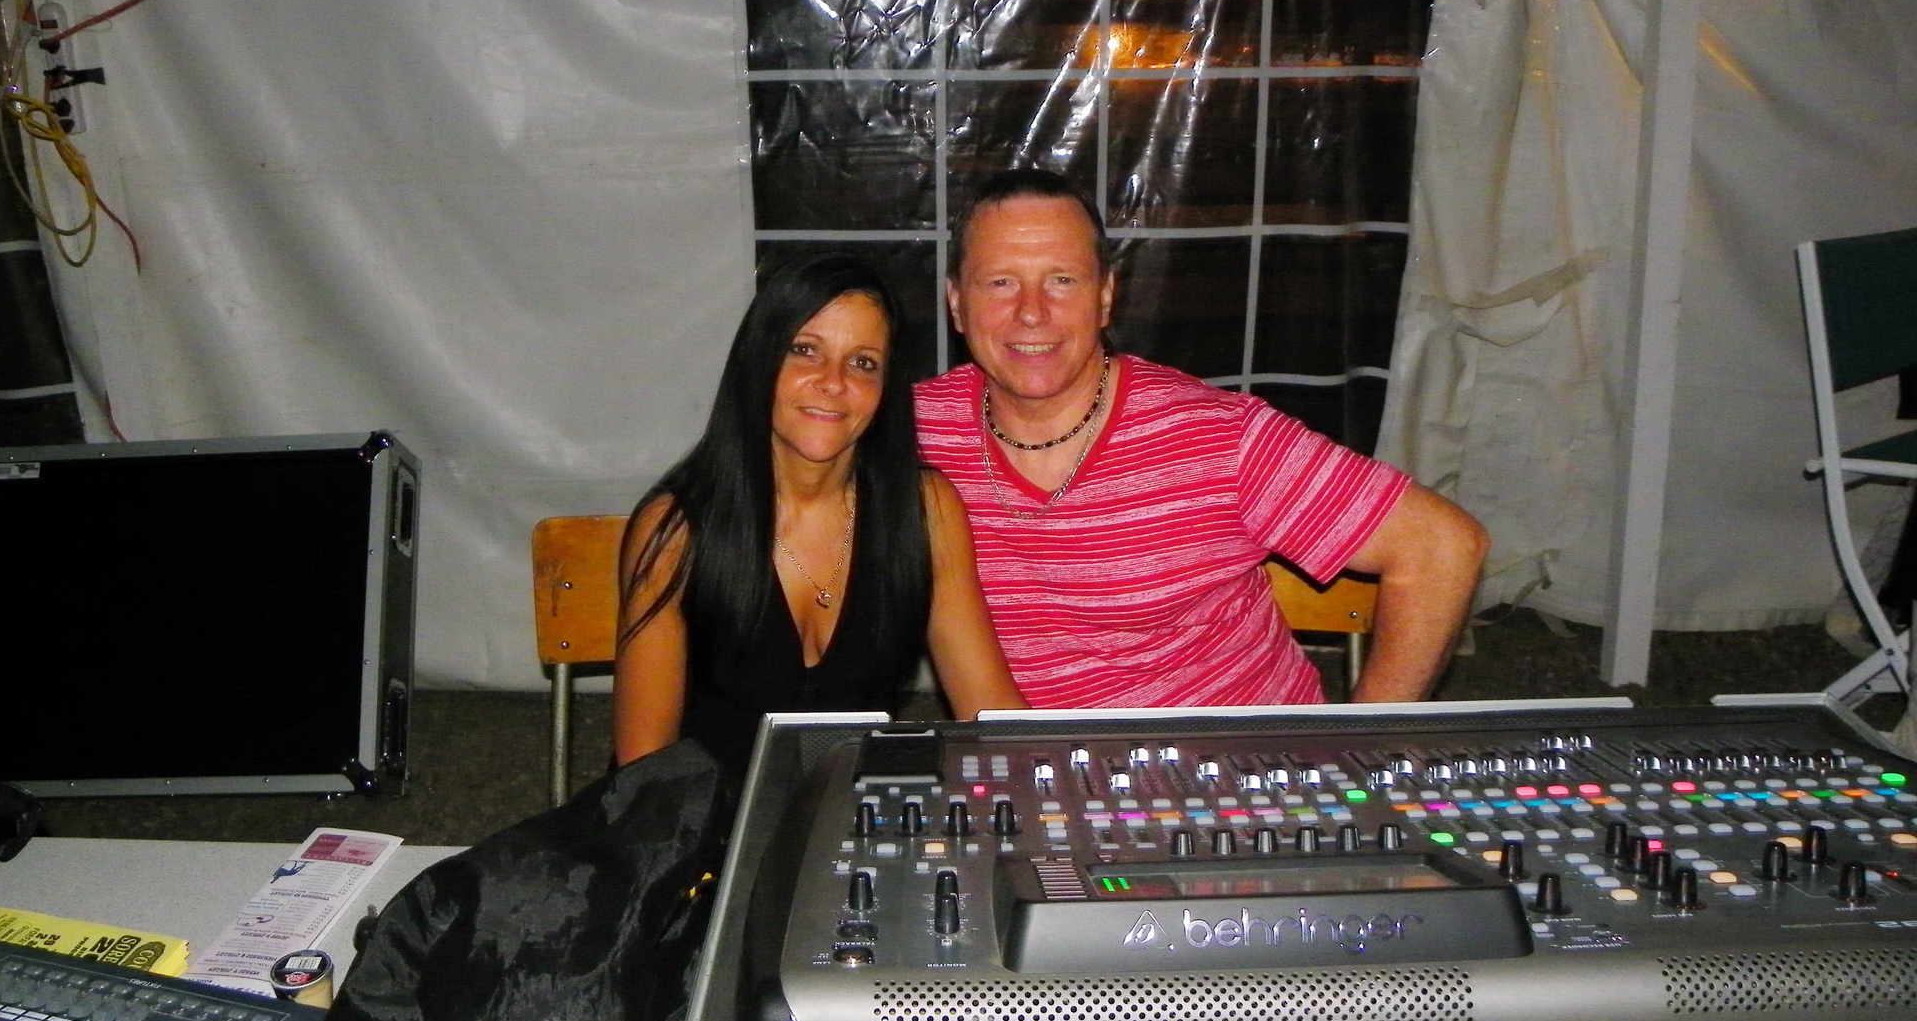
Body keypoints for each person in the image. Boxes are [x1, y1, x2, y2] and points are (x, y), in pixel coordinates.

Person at [915, 168, 1490, 709]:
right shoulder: (913, 432)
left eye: (1062, 280)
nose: (1032, 313)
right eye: (1000, 283)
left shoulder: (1216, 436)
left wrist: (1357, 744)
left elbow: (1441, 546)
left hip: (1237, 764)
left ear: (1106, 297)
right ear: (957, 303)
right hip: (1042, 766)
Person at [613, 253, 1025, 780]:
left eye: (863, 362)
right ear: (760, 360)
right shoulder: (676, 529)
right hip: (697, 821)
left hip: (853, 815)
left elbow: (990, 714)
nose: (833, 382)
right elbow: (643, 770)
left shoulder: (926, 511)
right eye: (805, 350)